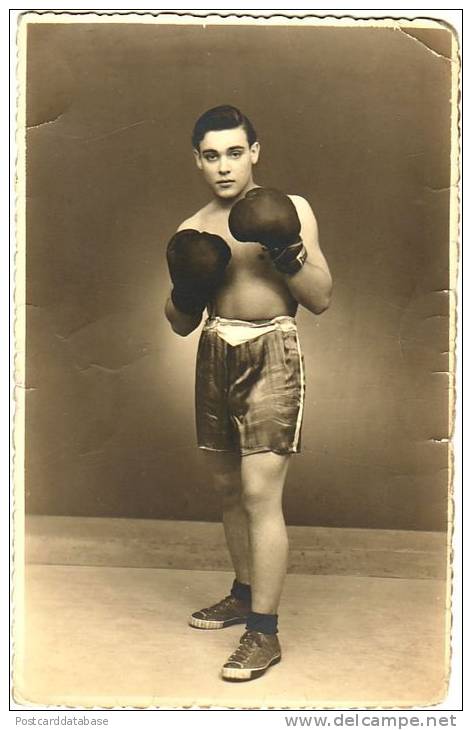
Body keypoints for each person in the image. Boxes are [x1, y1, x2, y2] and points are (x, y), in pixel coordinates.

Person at [165, 105, 332, 681]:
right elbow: (179, 323)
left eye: (235, 152)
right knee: (227, 488)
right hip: (215, 350)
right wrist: (188, 287)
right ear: (198, 161)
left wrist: (286, 250)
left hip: (272, 352)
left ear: (254, 151)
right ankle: (243, 591)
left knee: (262, 493)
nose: (224, 166)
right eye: (211, 155)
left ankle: (264, 634)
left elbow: (322, 297)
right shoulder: (194, 226)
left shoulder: (292, 210)